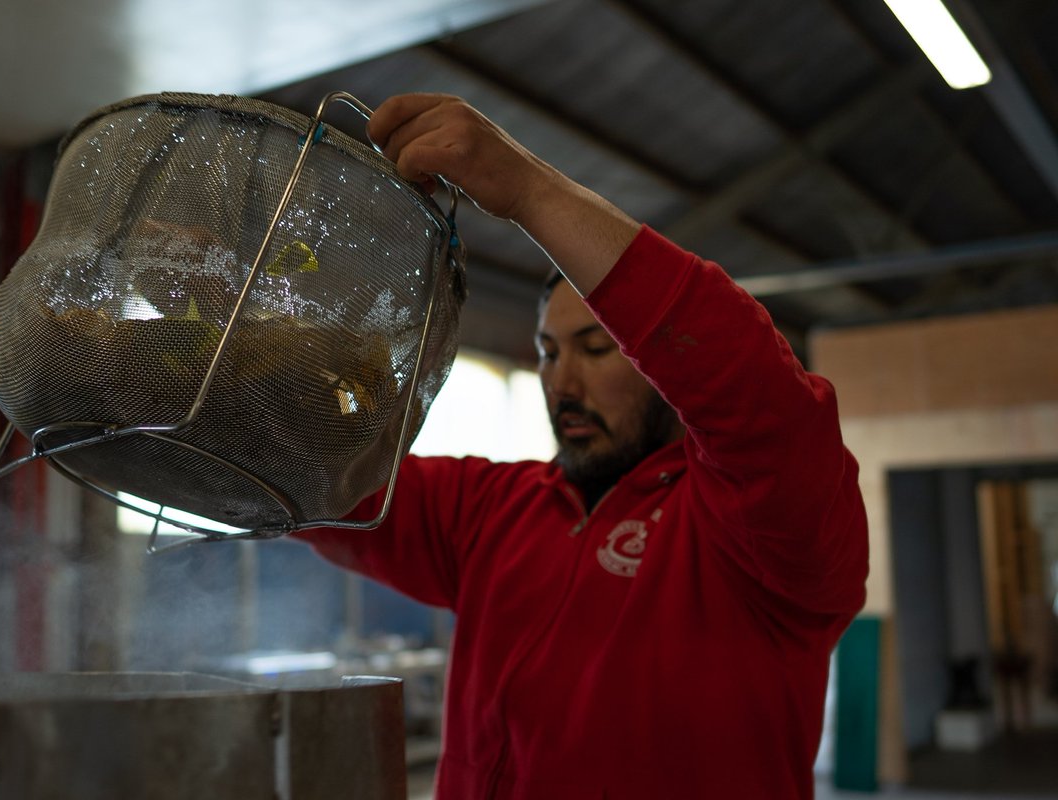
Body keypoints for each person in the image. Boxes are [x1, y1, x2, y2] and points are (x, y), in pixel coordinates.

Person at [296, 94, 869, 799]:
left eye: (598, 348)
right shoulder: (491, 511)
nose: (561, 381)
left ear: (661, 364)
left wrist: (531, 190)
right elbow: (318, 470)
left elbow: (758, 393)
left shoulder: (761, 535)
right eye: (545, 351)